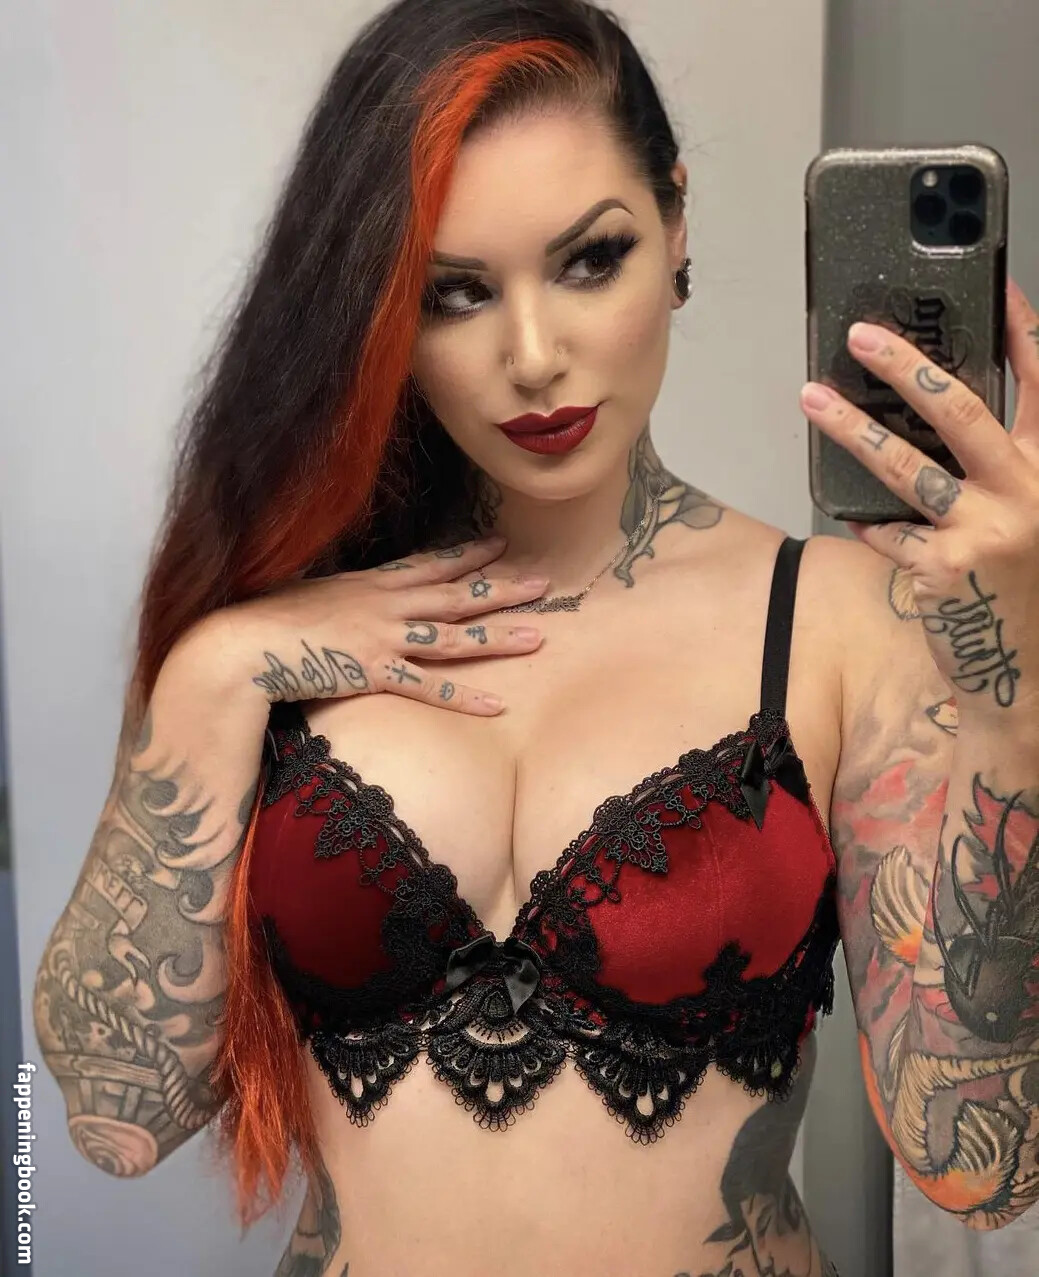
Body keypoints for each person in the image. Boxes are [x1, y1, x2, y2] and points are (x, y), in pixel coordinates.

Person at [31, 1, 1039, 1274]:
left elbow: (981, 1161)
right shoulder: (283, 645)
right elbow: (111, 1115)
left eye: (588, 260)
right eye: (454, 291)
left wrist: (1011, 677)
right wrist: (212, 668)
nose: (531, 355)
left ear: (675, 226)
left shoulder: (841, 621)